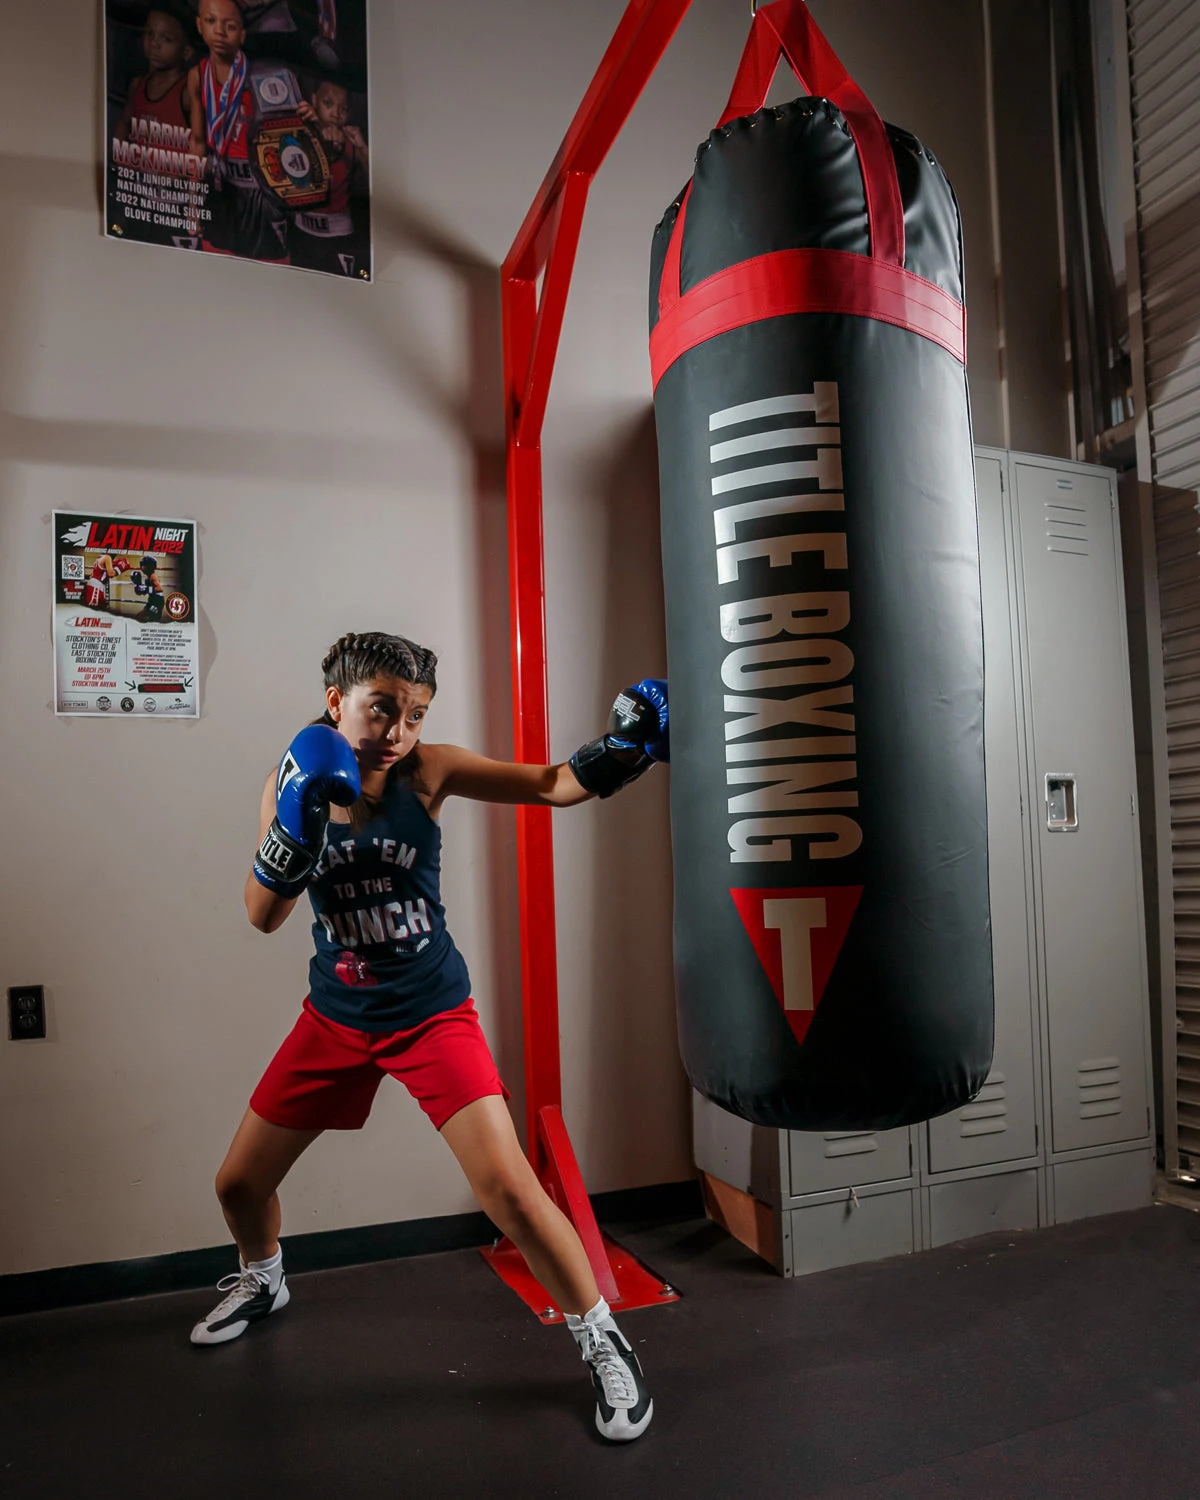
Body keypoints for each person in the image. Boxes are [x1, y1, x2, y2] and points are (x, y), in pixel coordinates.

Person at [190, 631, 669, 1444]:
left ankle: (602, 1339)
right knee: (237, 1185)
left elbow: (551, 785)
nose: (399, 729)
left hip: (430, 1013)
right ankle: (263, 1279)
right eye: (383, 708)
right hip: (336, 1017)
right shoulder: (289, 779)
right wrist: (296, 835)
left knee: (514, 1191)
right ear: (336, 700)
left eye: (413, 713)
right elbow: (260, 915)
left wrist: (622, 750)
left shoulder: (430, 770)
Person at [186, 0, 289, 264]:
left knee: (272, 269)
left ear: (242, 34)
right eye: (210, 21)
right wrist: (193, 204)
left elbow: (284, 140)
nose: (219, 32)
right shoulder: (197, 75)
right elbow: (197, 143)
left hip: (260, 190)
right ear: (199, 25)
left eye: (230, 26)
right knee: (213, 265)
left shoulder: (264, 77)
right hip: (220, 186)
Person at [291, 78, 367, 277]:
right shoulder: (299, 131)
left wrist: (361, 147)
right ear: (314, 100)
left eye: (343, 109)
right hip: (301, 232)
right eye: (328, 103)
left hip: (338, 237)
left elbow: (379, 183)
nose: (335, 114)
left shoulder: (352, 140)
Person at [115, 8, 195, 139]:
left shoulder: (188, 92)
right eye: (150, 33)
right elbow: (124, 122)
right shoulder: (137, 85)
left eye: (166, 39)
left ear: (186, 52)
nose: (154, 43)